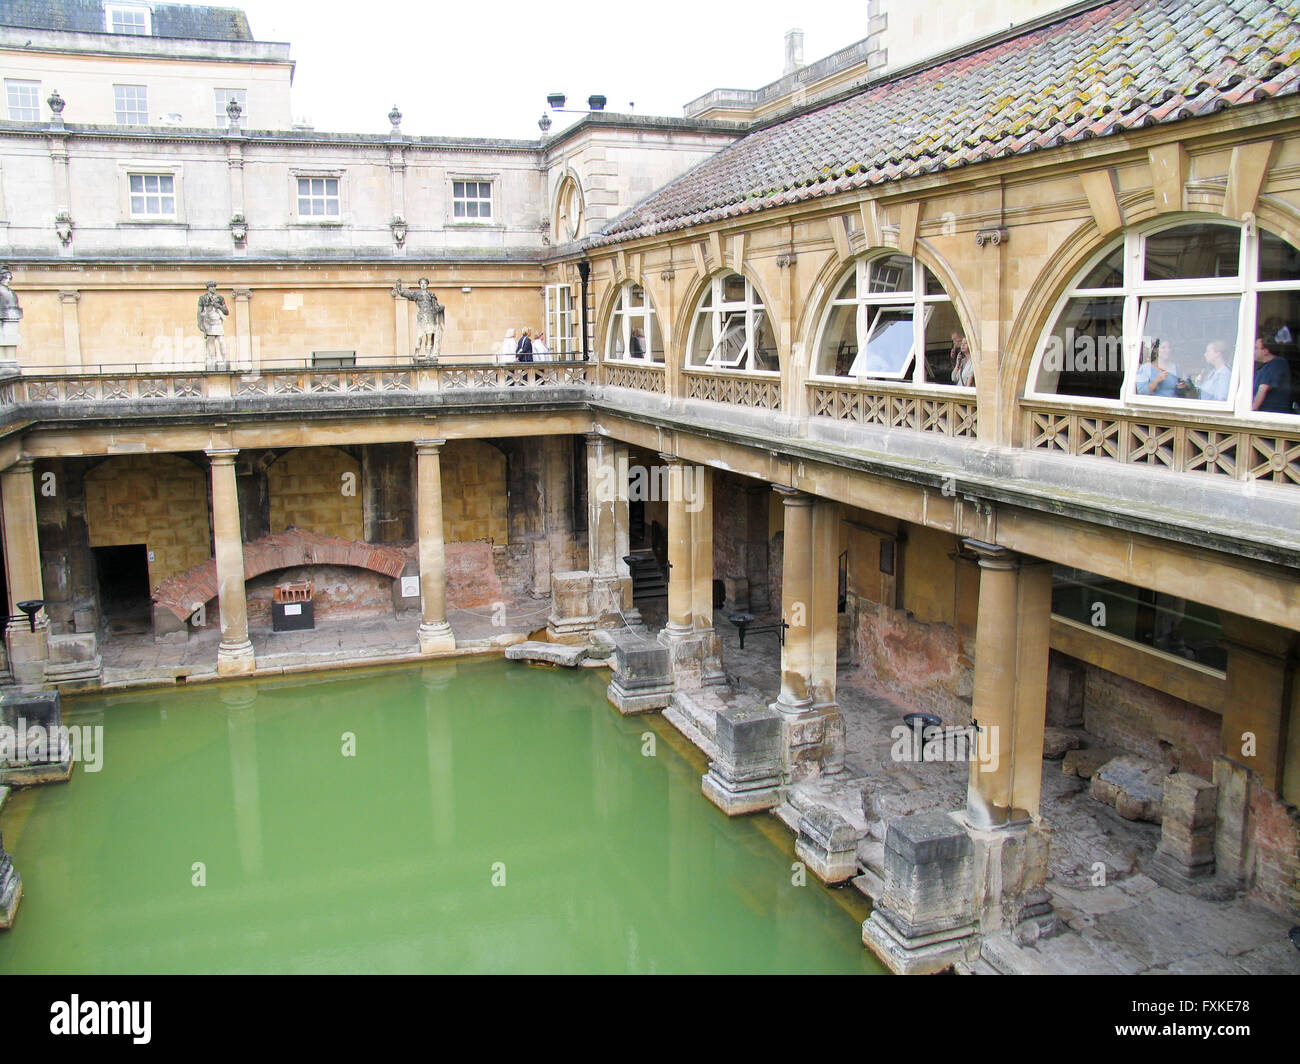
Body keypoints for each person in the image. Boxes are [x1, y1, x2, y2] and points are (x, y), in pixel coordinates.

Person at [392, 278, 445, 359]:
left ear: (427, 285)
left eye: (425, 283)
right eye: (422, 283)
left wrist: (441, 307)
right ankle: (416, 353)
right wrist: (399, 288)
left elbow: (435, 307)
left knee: (429, 336)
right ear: (420, 285)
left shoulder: (431, 295)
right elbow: (406, 294)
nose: (423, 285)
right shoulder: (417, 294)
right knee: (419, 336)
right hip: (421, 317)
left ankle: (428, 354)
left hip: (430, 317)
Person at [1252, 331, 1292, 413]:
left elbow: (1263, 388)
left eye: (1256, 348)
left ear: (1266, 351)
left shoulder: (1277, 363)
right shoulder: (1263, 367)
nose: (1253, 351)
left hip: (1273, 416)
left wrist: (1251, 410)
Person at [197, 281, 229, 365]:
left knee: (221, 341)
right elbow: (199, 311)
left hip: (218, 321)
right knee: (210, 341)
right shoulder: (203, 298)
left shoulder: (219, 298)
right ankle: (213, 360)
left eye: (214, 286)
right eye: (211, 286)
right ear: (208, 288)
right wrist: (199, 323)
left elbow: (226, 312)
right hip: (208, 322)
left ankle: (224, 359)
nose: (213, 288)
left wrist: (219, 306)